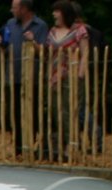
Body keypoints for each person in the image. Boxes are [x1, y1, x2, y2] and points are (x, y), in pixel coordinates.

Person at [0, 0, 48, 156]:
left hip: (32, 76)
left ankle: (31, 144)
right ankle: (18, 147)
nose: (12, 10)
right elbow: (5, 49)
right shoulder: (10, 24)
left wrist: (33, 41)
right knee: (14, 113)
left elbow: (44, 53)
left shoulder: (40, 26)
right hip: (13, 74)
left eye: (15, 7)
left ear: (24, 9)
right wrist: (1, 45)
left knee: (32, 113)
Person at [46, 0, 88, 162]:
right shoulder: (52, 32)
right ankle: (58, 147)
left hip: (72, 75)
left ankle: (71, 147)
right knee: (56, 112)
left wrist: (80, 74)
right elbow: (48, 53)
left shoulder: (79, 30)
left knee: (69, 112)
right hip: (55, 76)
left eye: (57, 11)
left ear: (65, 13)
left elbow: (85, 52)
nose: (54, 14)